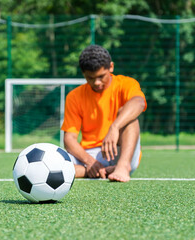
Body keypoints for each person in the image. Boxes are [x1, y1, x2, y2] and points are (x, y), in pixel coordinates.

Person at [61, 45, 147, 182]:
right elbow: (69, 139)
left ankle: (122, 167)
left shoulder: (126, 84)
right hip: (88, 155)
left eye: (101, 76)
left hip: (120, 152)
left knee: (128, 116)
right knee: (56, 163)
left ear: (111, 67)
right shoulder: (74, 96)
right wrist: (90, 162)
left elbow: (139, 103)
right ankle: (99, 171)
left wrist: (114, 127)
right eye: (90, 78)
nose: (97, 82)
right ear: (83, 74)